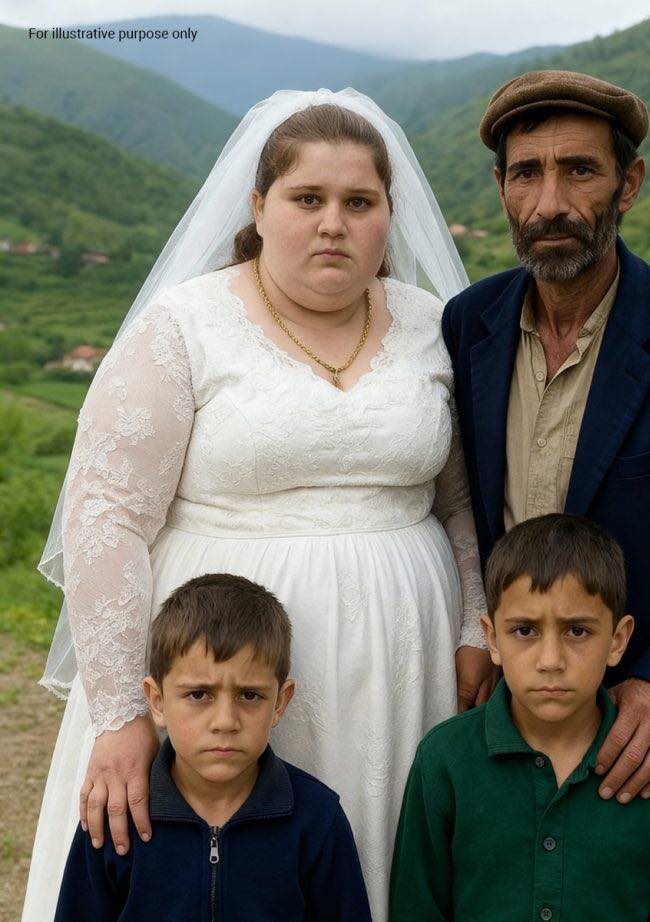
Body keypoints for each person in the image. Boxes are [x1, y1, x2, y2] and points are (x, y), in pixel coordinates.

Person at [25, 89, 494, 922]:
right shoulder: (185, 326)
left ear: (390, 215)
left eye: (359, 202)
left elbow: (459, 502)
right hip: (219, 664)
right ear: (258, 206)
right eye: (307, 198)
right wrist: (123, 715)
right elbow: (106, 520)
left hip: (402, 668)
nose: (333, 223)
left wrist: (470, 626)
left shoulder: (432, 326)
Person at [441, 70, 650, 862]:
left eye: (580, 170)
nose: (549, 202)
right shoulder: (468, 325)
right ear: (501, 188)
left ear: (630, 182)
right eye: (527, 173)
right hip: (502, 734)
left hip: (643, 749)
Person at [389, 513, 650, 921]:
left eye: (577, 631)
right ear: (492, 639)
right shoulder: (444, 760)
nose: (550, 660)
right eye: (525, 630)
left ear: (618, 640)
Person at [55, 573, 371, 921]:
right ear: (157, 701)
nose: (225, 721)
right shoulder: (117, 817)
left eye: (249, 695)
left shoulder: (317, 818)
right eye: (198, 694)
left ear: (280, 703)